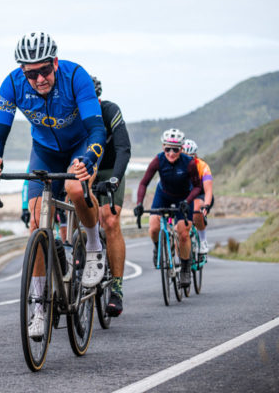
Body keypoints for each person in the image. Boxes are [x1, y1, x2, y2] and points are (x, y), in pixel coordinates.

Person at [0, 32, 107, 338]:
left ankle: (93, 245)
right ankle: (39, 305)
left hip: (80, 145)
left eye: (44, 71)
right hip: (44, 153)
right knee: (38, 222)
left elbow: (96, 129)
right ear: (22, 71)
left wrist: (89, 160)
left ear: (55, 62)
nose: (39, 79)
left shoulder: (76, 76)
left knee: (77, 190)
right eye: (31, 74)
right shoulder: (11, 84)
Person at [133, 129, 202, 288]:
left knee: (183, 233)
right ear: (163, 147)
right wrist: (139, 204)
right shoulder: (158, 160)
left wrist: (188, 200)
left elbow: (197, 187)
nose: (171, 153)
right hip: (163, 195)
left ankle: (185, 268)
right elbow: (144, 183)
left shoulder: (189, 163)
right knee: (153, 228)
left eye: (175, 149)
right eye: (167, 149)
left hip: (184, 198)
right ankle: (158, 248)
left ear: (181, 149)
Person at [90, 76, 131, 317]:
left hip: (109, 168)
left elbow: (124, 148)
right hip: (87, 168)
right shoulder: (73, 115)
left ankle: (116, 287)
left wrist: (115, 179)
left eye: (92, 99)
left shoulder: (110, 110)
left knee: (110, 219)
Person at [182, 139, 214, 254]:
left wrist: (207, 205)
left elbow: (208, 190)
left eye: (190, 157)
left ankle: (203, 239)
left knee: (196, 209)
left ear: (195, 155)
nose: (187, 160)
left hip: (201, 194)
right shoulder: (176, 165)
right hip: (184, 194)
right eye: (184, 156)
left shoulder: (203, 166)